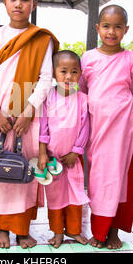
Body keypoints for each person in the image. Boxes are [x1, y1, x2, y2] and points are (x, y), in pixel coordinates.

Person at [0, 0, 59, 249]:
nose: (18, 4)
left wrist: (28, 111)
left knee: (24, 166)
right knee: (0, 162)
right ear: (5, 3)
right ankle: (2, 228)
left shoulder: (41, 38)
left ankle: (22, 229)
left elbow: (46, 78)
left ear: (33, 4)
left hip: (27, 108)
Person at [79, 5, 133, 249]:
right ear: (97, 28)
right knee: (98, 180)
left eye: (118, 27)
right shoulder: (88, 58)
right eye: (106, 26)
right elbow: (83, 92)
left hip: (121, 133)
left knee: (120, 179)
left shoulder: (132, 60)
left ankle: (114, 231)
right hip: (97, 130)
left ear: (125, 30)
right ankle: (99, 230)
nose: (111, 31)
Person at [38, 50, 90, 248]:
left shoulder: (83, 99)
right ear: (53, 73)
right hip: (52, 158)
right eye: (63, 71)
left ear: (80, 74)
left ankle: (74, 231)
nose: (69, 77)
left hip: (73, 159)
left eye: (74, 72)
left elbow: (85, 127)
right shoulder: (48, 96)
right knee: (55, 197)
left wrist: (76, 151)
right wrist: (43, 152)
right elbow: (43, 127)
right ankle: (57, 232)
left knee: (75, 196)